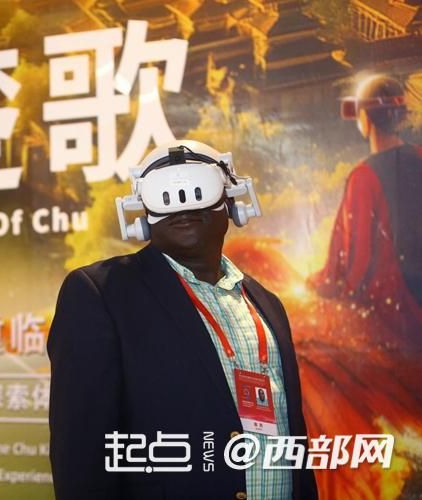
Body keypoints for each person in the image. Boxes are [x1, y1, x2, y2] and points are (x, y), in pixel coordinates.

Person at [48, 140, 318, 499]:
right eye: (165, 196)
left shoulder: (267, 304)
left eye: (199, 190)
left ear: (231, 201)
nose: (183, 205)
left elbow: (292, 434)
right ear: (142, 210)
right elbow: (81, 454)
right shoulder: (101, 293)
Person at [308, 74, 422, 340]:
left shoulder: (363, 177)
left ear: (365, 120)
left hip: (399, 315)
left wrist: (324, 287)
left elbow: (356, 263)